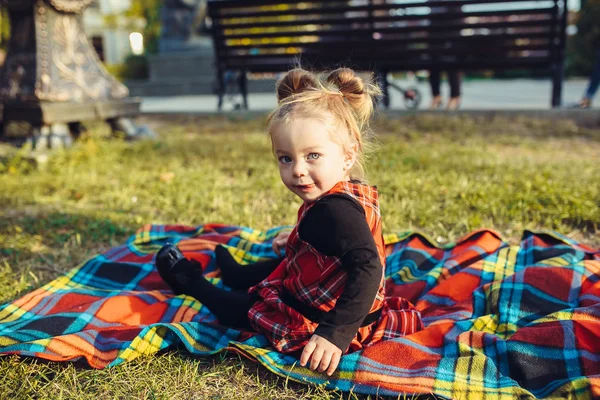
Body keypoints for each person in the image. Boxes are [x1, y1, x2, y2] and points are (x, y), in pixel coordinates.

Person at [155, 67, 423, 376]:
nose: (297, 170)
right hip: (321, 287)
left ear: (348, 155)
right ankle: (238, 274)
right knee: (291, 258)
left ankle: (189, 281)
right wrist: (297, 236)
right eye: (286, 158)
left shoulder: (337, 212)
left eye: (312, 156)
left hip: (320, 317)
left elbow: (369, 268)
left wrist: (333, 334)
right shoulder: (343, 191)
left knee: (238, 309)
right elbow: (331, 248)